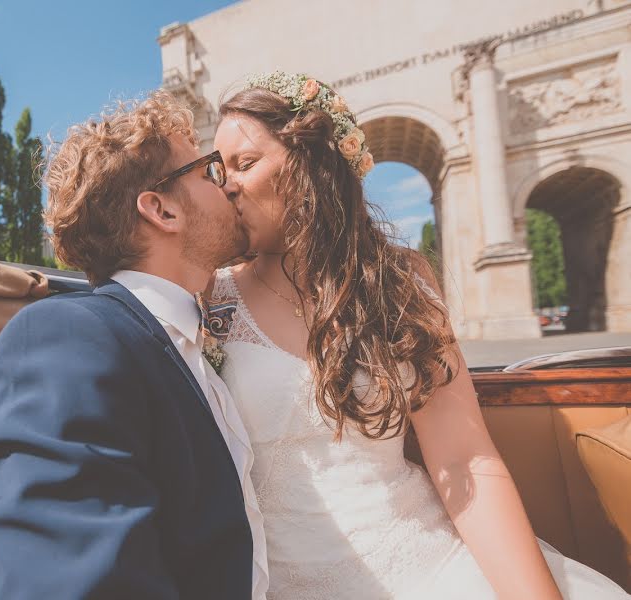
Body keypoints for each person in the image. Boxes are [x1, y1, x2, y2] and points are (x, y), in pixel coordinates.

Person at [207, 71, 629, 599]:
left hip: (429, 563)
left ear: (311, 166)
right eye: (218, 170)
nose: (224, 185)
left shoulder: (401, 280)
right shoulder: (207, 295)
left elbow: (464, 458)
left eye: (245, 164)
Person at [0, 91, 268, 599]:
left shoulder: (193, 335)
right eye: (208, 173)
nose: (230, 187)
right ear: (161, 210)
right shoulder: (63, 338)